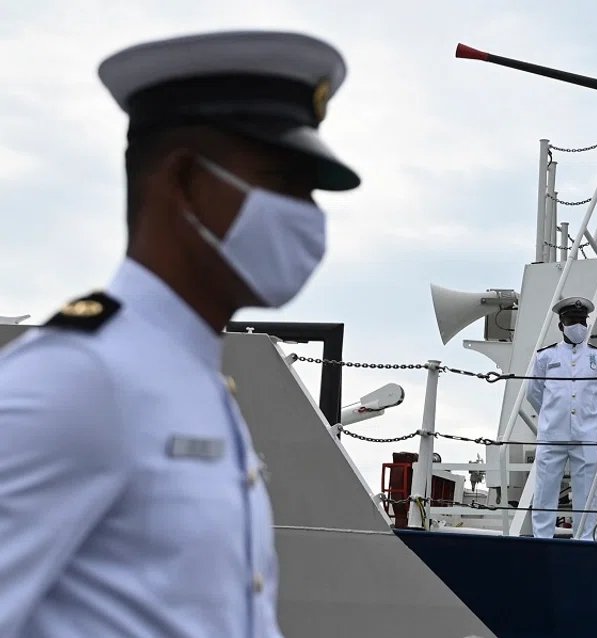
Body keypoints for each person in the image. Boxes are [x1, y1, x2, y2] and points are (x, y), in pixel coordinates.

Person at [0, 30, 360, 637]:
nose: (310, 219)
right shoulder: (79, 379)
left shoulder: (194, 376)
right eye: (286, 184)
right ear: (187, 181)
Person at [526, 296, 597, 540]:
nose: (578, 326)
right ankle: (542, 538)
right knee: (545, 488)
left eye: (581, 321)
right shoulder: (545, 357)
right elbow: (534, 393)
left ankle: (585, 539)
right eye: (572, 321)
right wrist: (555, 413)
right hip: (553, 432)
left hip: (585, 433)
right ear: (560, 324)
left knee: (586, 490)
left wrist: (588, 416)